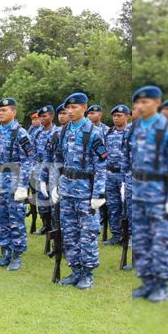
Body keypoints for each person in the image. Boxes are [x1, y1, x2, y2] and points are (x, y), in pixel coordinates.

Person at [128, 86, 168, 302]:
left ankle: (161, 285)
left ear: (157, 102)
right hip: (138, 194)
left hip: (160, 195)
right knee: (141, 242)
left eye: (145, 102)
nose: (140, 106)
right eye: (137, 103)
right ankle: (147, 282)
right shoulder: (136, 127)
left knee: (161, 241)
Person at [50, 93, 107, 289]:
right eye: (68, 108)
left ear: (84, 108)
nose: (70, 112)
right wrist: (56, 185)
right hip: (67, 190)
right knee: (70, 233)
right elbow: (59, 160)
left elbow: (101, 165)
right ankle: (75, 270)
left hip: (85, 191)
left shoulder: (93, 132)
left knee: (88, 234)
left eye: (75, 108)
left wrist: (98, 193)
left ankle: (87, 273)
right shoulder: (64, 131)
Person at [0, 98, 35, 270]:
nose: (0, 113)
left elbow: (28, 161)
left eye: (4, 110)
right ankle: (5, 252)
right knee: (0, 219)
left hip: (14, 181)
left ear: (13, 112)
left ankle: (16, 255)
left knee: (15, 219)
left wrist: (23, 185)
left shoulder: (20, 133)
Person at [102, 105, 132, 246]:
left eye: (119, 115)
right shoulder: (108, 133)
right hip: (110, 174)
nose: (116, 118)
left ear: (127, 116)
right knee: (112, 205)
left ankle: (129, 234)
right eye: (114, 116)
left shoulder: (131, 132)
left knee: (128, 205)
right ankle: (116, 234)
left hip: (125, 174)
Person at [33, 105, 60, 236]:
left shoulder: (57, 132)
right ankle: (45, 224)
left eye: (45, 116)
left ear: (52, 116)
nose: (42, 119)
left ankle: (55, 226)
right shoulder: (37, 132)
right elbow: (32, 152)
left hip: (53, 170)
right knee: (41, 199)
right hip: (39, 169)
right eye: (40, 117)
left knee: (54, 199)